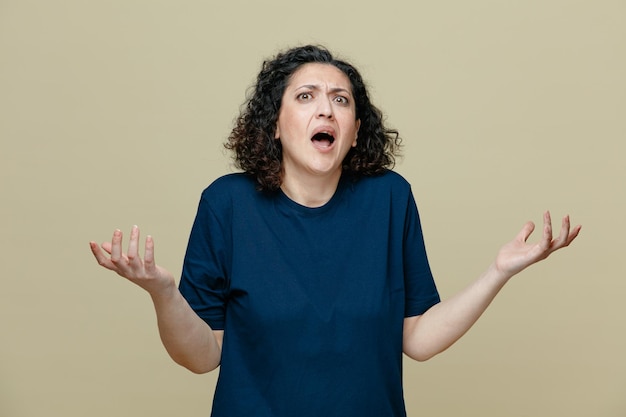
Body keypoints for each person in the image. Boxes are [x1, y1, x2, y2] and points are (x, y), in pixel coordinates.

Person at [89, 45, 581, 417]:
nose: (325, 109)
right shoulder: (227, 203)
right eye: (306, 97)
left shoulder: (390, 198)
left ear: (354, 127)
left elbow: (418, 338)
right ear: (275, 125)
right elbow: (201, 356)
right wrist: (163, 292)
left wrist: (498, 272)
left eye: (340, 100)